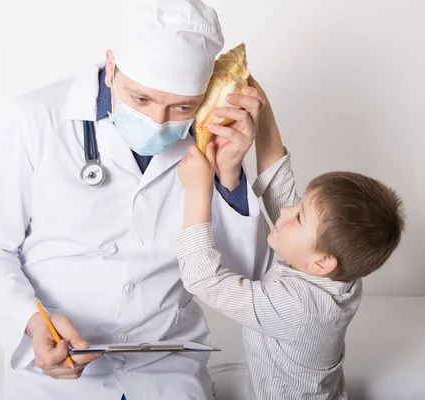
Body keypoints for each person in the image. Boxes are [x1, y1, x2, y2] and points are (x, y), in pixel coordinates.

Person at [0, 0, 273, 399]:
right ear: (111, 67)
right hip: (50, 369)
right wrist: (34, 324)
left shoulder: (215, 139)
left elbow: (250, 280)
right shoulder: (34, 119)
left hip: (166, 366)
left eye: (182, 106)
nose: (158, 120)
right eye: (141, 99)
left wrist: (229, 176)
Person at [171, 82, 405, 399]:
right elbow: (277, 187)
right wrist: (262, 109)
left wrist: (198, 191)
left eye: (298, 217)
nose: (285, 211)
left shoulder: (297, 307)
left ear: (322, 262)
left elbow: (204, 279)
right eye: (300, 203)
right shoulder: (341, 273)